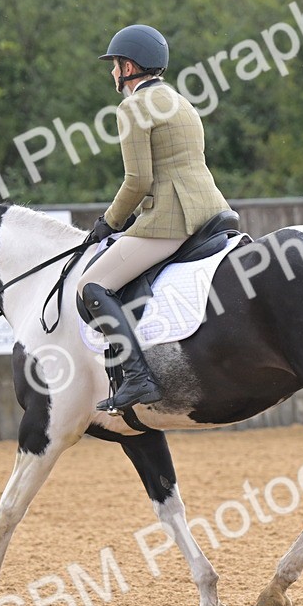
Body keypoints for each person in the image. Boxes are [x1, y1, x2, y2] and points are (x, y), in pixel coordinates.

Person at [76, 24, 231, 412]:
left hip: (172, 219)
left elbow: (138, 180)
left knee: (92, 285)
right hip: (211, 209)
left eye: (114, 65)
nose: (112, 72)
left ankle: (138, 377)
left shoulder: (132, 107)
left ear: (128, 67)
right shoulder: (179, 102)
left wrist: (110, 221)